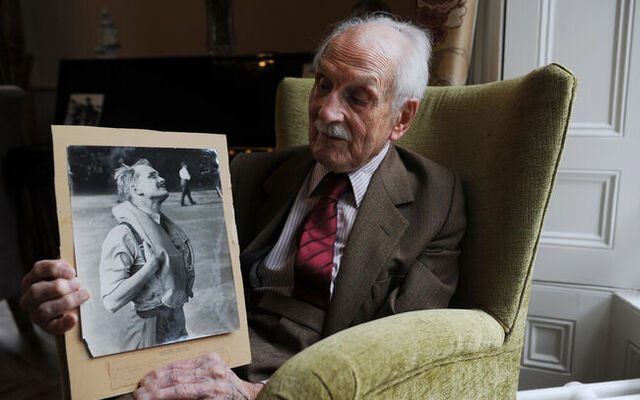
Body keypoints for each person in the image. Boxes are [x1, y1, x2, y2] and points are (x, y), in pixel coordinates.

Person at [20, 14, 465, 400]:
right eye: (324, 84)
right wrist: (71, 303)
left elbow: (404, 348)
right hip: (203, 346)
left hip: (314, 372)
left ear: (401, 119)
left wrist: (258, 394)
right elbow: (169, 281)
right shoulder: (249, 174)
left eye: (357, 97)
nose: (326, 111)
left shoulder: (435, 199)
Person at [101, 159, 195, 348]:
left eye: (159, 175)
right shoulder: (122, 235)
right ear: (137, 190)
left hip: (176, 326)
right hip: (146, 334)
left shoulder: (166, 229)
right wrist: (150, 267)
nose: (161, 179)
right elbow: (111, 301)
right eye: (153, 176)